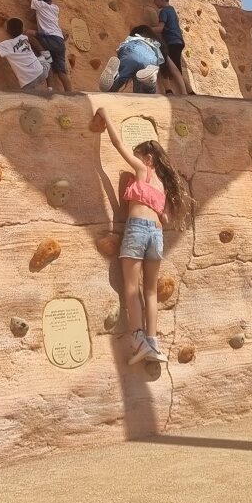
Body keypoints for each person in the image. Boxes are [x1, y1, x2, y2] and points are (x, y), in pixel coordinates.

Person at [93, 107, 186, 365]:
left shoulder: (144, 171)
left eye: (137, 157)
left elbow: (117, 143)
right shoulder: (164, 186)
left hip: (137, 229)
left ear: (148, 158)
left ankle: (138, 340)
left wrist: (104, 114)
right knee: (150, 291)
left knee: (131, 289)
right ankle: (153, 341)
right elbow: (165, 218)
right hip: (156, 235)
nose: (133, 161)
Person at [9, 0, 72, 93]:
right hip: (59, 41)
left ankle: (49, 87)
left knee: (28, 33)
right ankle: (71, 94)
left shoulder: (40, 5)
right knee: (60, 72)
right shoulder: (55, 8)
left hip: (49, 38)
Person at [0, 18, 52, 93]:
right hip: (41, 73)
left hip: (28, 82)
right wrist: (6, 19)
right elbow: (18, 27)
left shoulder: (7, 44)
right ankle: (50, 89)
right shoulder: (24, 37)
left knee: (27, 97)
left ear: (7, 30)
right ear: (21, 29)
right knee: (48, 61)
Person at [148, 0, 193, 94]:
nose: (155, 3)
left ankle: (178, 91)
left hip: (171, 42)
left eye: (155, 0)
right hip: (178, 41)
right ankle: (188, 91)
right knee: (174, 67)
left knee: (169, 67)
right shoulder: (172, 9)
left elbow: (160, 28)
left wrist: (147, 29)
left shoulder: (163, 11)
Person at [98, 25, 164, 93]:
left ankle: (113, 80)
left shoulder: (133, 38)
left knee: (120, 77)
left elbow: (121, 50)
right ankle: (149, 83)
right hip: (149, 59)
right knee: (143, 89)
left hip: (130, 51)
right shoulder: (154, 43)